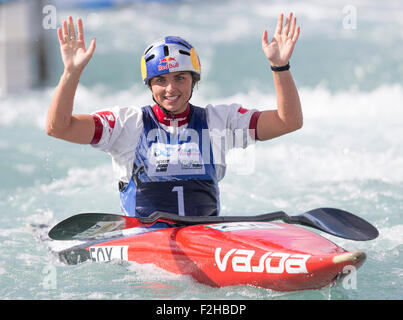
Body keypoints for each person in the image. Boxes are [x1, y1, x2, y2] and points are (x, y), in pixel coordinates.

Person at [46, 13, 302, 217]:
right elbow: (59, 128)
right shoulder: (127, 124)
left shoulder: (220, 121)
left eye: (180, 78)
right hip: (145, 243)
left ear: (194, 80)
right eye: (161, 80)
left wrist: (279, 66)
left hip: (205, 241)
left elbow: (287, 122)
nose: (171, 89)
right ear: (149, 85)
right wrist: (71, 73)